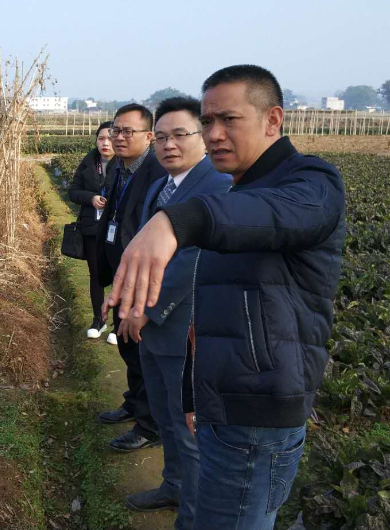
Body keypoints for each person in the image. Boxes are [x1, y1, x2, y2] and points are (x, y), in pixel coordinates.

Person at [107, 65, 346, 529]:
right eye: (209, 121)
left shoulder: (310, 182)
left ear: (273, 120)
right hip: (223, 400)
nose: (215, 134)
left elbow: (267, 214)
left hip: (257, 414)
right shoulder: (241, 186)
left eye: (229, 120)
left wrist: (176, 221)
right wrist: (194, 391)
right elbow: (215, 310)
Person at [115, 97, 231, 528]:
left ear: (203, 136)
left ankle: (193, 515)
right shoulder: (162, 185)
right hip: (155, 329)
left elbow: (191, 261)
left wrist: (146, 309)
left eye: (180, 135)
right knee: (165, 417)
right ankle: (173, 486)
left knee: (188, 427)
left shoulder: (216, 186)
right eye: (162, 137)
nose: (169, 145)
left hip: (186, 329)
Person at [95, 103, 166, 451]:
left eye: (128, 131)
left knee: (143, 351)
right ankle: (134, 403)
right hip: (122, 273)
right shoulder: (119, 168)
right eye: (115, 131)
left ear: (149, 136)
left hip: (144, 279)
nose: (118, 137)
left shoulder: (157, 173)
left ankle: (150, 426)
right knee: (127, 346)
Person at [67, 121, 116, 339]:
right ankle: (99, 320)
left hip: (116, 229)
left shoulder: (125, 164)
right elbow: (73, 191)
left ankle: (118, 324)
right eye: (101, 138)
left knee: (119, 274)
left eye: (110, 138)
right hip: (91, 228)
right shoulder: (88, 163)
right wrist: (91, 198)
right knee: (95, 274)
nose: (106, 143)